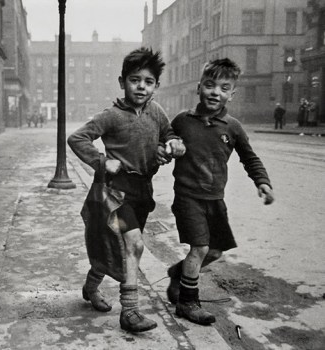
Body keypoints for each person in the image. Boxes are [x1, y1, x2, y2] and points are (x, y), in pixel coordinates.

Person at [67, 47, 186, 333]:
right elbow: (77, 138)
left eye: (148, 81)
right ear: (122, 82)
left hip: (141, 191)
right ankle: (130, 312)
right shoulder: (111, 116)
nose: (141, 86)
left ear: (156, 86)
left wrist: (172, 147)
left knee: (119, 249)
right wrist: (101, 161)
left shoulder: (156, 112)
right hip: (114, 191)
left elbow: (170, 136)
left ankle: (90, 286)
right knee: (133, 245)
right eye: (135, 80)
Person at [164, 58, 275, 326]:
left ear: (232, 94)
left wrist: (262, 182)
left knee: (214, 252)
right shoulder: (182, 121)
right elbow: (162, 143)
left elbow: (250, 158)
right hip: (188, 197)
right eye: (210, 85)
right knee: (200, 248)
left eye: (224, 88)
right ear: (199, 87)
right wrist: (168, 147)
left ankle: (177, 273)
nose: (216, 92)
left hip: (215, 200)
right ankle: (188, 303)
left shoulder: (232, 127)